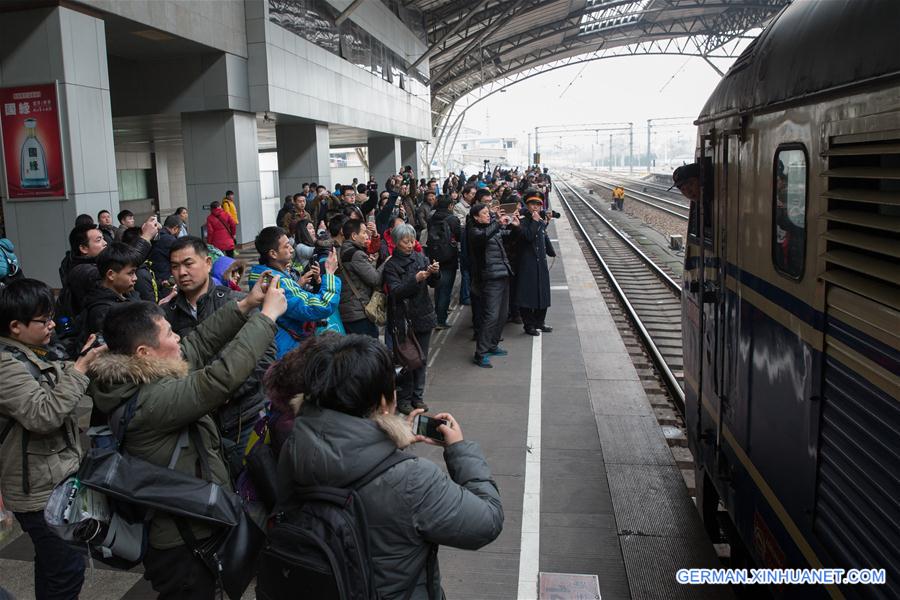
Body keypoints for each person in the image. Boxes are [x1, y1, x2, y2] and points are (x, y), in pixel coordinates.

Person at [88, 275, 286, 599]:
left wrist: (246, 305)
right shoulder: (150, 402)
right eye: (168, 332)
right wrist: (266, 317)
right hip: (182, 543)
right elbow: (219, 379)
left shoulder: (140, 372)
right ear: (143, 351)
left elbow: (197, 344)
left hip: (194, 524)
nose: (177, 336)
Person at [275, 334, 504, 599]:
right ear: (385, 403)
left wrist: (388, 440)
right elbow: (487, 521)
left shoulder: (294, 447)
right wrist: (459, 450)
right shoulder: (413, 478)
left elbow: (344, 461)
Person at [0, 279, 106, 600]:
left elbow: (58, 378)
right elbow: (43, 415)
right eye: (43, 320)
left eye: (51, 318)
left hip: (53, 478)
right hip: (38, 491)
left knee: (52, 565)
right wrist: (81, 367)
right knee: (66, 571)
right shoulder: (5, 365)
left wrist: (80, 361)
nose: (50, 325)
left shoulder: (31, 352)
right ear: (15, 326)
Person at [165, 236, 274, 453]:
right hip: (197, 424)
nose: (182, 272)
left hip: (245, 416)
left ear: (207, 263)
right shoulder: (166, 317)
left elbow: (266, 354)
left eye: (188, 264)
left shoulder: (237, 302)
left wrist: (227, 392)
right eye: (175, 267)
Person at [248, 226, 341, 358]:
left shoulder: (261, 274)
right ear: (273, 254)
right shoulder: (278, 281)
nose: (292, 250)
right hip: (287, 350)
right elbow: (321, 305)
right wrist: (330, 274)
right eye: (286, 246)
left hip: (278, 342)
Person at [383, 223, 439, 414]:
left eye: (412, 240)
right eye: (405, 241)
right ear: (396, 243)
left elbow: (432, 284)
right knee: (407, 360)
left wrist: (434, 272)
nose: (409, 244)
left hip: (422, 314)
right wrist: (415, 279)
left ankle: (418, 396)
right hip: (402, 319)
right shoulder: (391, 265)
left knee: (421, 359)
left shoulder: (420, 257)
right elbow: (396, 292)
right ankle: (405, 399)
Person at [467, 203, 518, 368]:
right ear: (476, 217)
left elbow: (507, 235)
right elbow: (484, 237)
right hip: (490, 278)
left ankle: (493, 345)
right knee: (491, 316)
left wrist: (515, 226)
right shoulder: (474, 231)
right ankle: (480, 353)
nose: (488, 215)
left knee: (502, 315)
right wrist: (498, 222)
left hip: (503, 274)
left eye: (488, 212)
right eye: (484, 213)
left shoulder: (491, 228)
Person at [78, 242, 141, 346]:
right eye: (130, 273)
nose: (135, 278)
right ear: (111, 275)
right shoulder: (102, 312)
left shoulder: (128, 295)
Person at [338, 219, 387, 338]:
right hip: (359, 312)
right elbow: (375, 279)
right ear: (354, 236)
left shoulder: (341, 251)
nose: (367, 236)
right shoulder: (356, 254)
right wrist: (386, 263)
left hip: (347, 310)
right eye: (364, 233)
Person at [516, 191, 555, 336]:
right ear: (527, 205)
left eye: (538, 204)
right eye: (533, 204)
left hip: (540, 261)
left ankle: (540, 322)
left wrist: (551, 251)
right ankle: (529, 325)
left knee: (542, 293)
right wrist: (535, 221)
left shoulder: (539, 219)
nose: (536, 207)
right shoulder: (522, 219)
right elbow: (528, 236)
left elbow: (542, 235)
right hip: (527, 262)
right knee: (527, 295)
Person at [426, 196, 461, 329]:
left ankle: (437, 314)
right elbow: (458, 236)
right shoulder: (452, 219)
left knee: (438, 286)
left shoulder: (431, 218)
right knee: (446, 289)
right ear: (450, 206)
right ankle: (441, 319)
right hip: (449, 257)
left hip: (434, 255)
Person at [454, 184, 476, 306]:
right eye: (472, 194)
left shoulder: (473, 206)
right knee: (466, 271)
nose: (473, 196)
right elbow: (461, 223)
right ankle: (465, 296)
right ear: (465, 194)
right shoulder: (458, 207)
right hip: (463, 241)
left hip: (471, 240)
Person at [149, 214, 182, 285]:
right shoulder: (170, 240)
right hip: (165, 278)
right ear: (175, 228)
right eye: (180, 230)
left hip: (154, 275)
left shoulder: (157, 234)